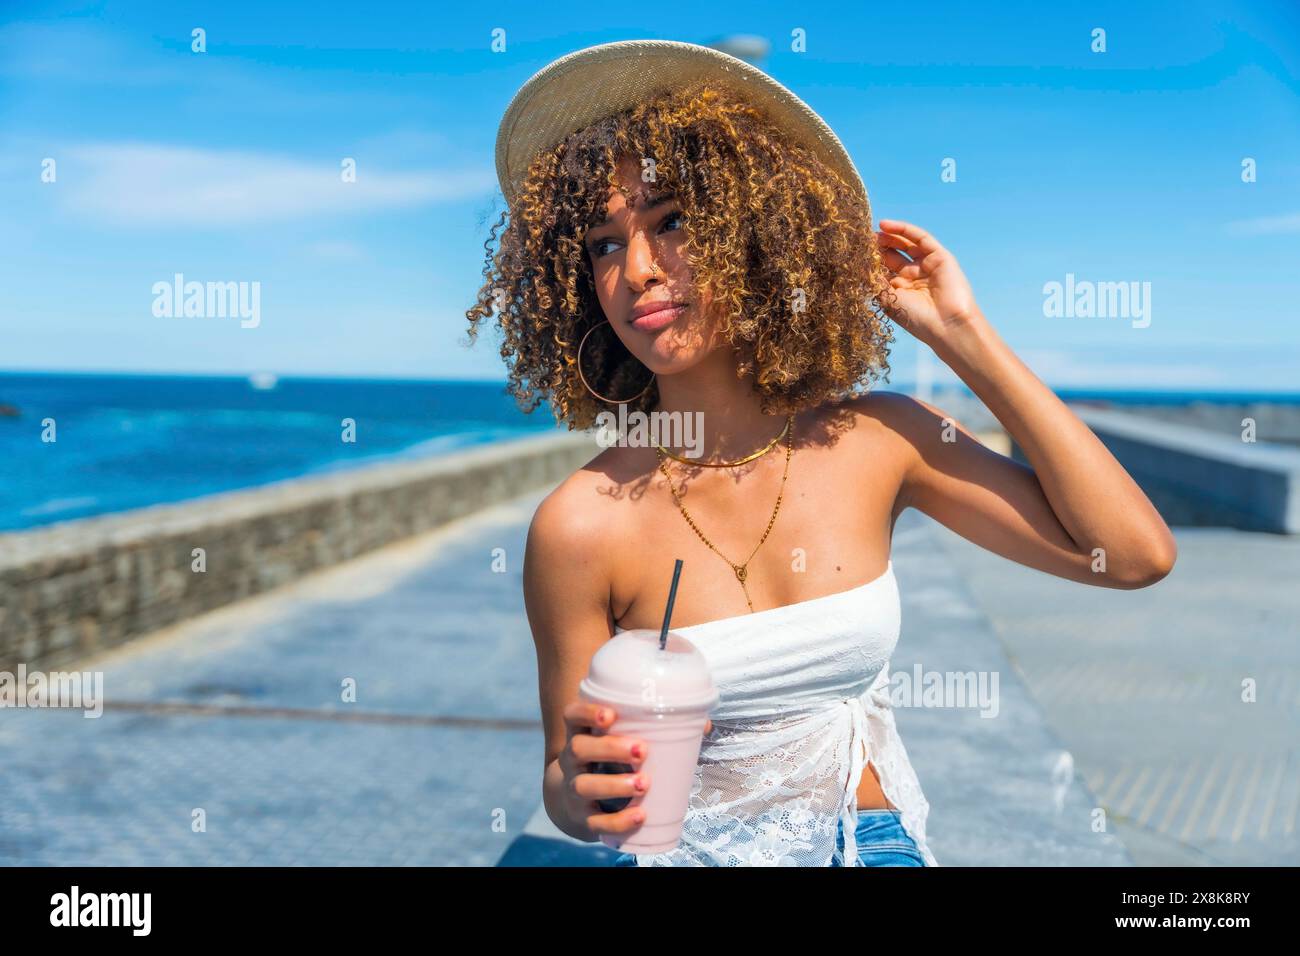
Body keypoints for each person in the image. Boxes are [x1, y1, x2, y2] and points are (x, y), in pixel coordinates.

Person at [466, 40, 1176, 866]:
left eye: (674, 222)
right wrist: (585, 791)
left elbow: (1130, 555)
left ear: (757, 235)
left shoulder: (879, 440)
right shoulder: (579, 527)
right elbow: (564, 784)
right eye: (603, 244)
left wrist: (962, 336)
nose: (639, 271)